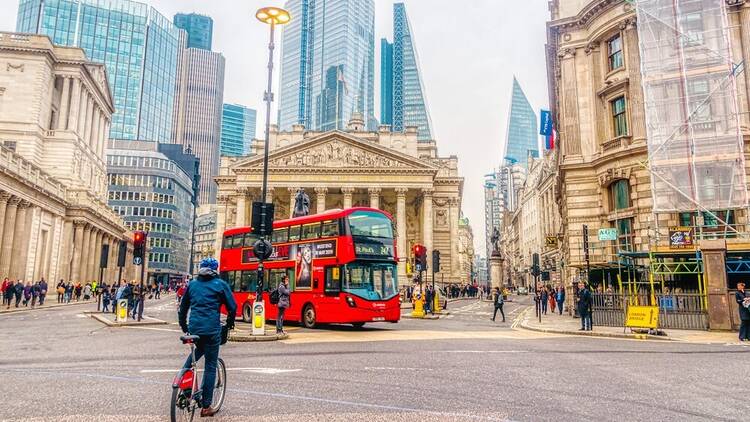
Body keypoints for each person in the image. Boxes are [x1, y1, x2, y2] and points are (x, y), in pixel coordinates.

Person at [178, 257, 236, 418]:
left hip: (195, 328)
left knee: (195, 356)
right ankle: (206, 406)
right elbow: (233, 307)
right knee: (211, 366)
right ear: (215, 269)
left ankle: (183, 385)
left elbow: (182, 310)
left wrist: (185, 327)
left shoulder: (193, 285)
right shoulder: (220, 285)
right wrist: (229, 324)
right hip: (211, 330)